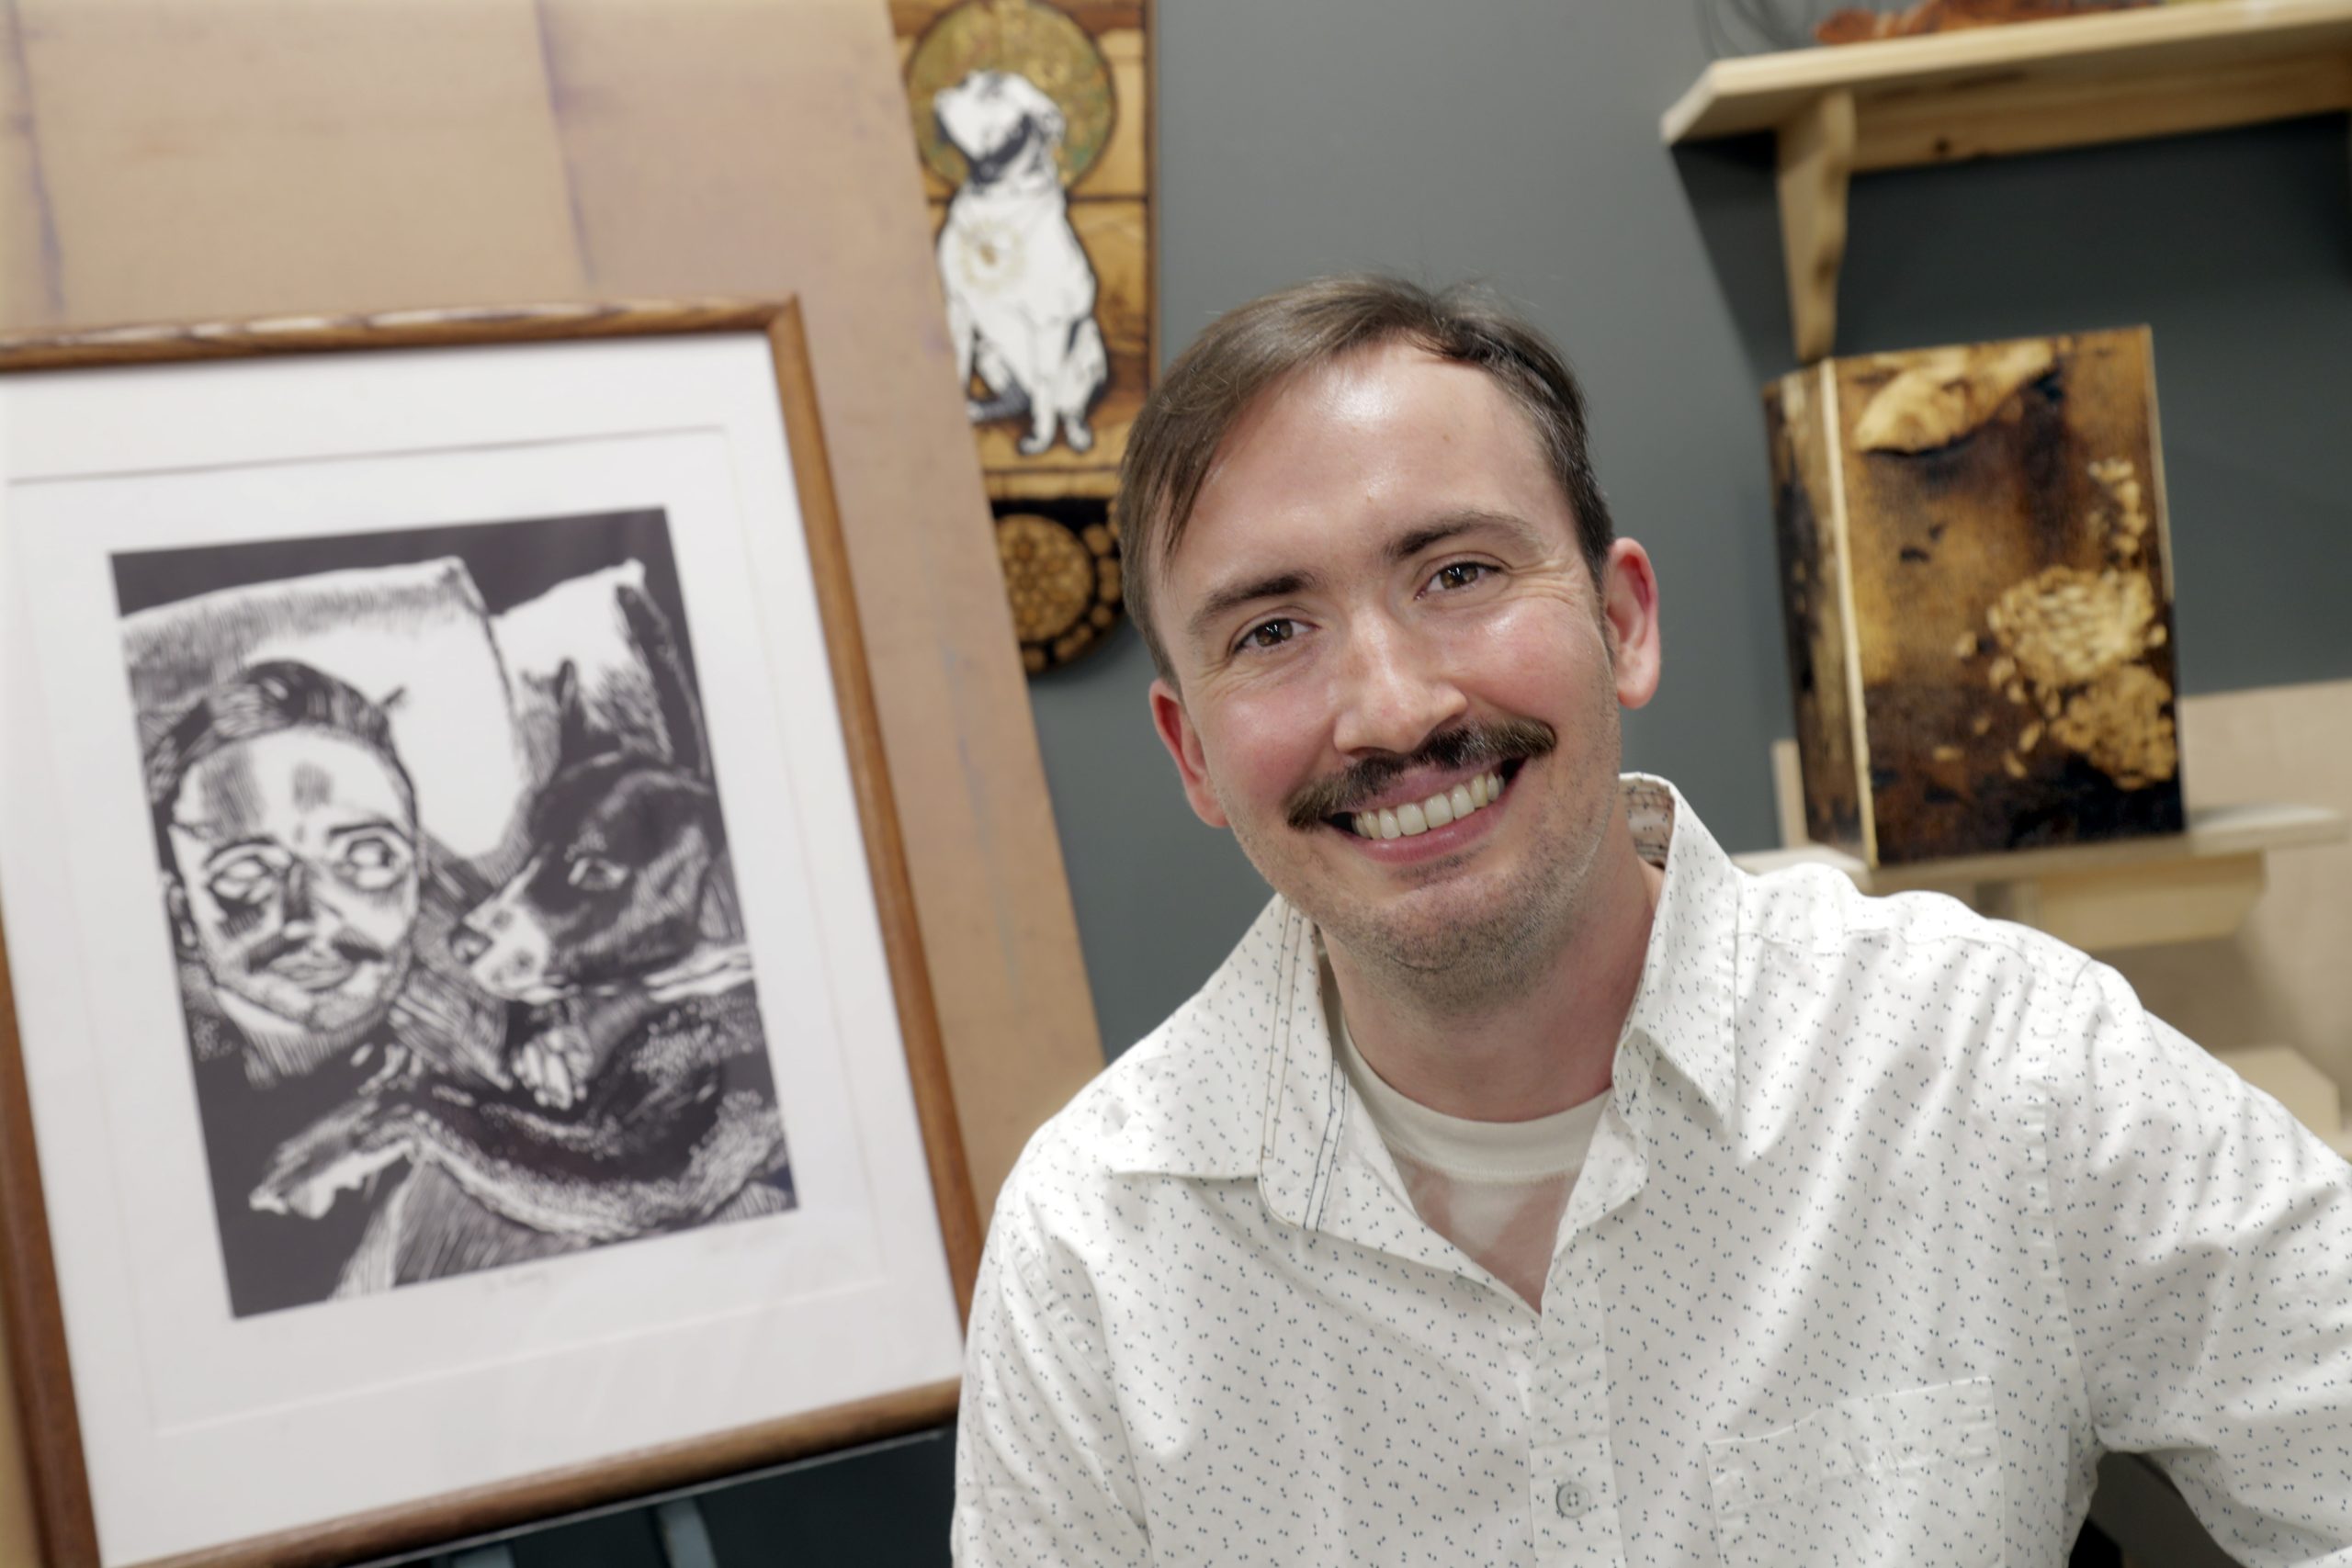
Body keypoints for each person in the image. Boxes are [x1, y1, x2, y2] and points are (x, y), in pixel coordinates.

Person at [951, 276, 2352, 1563]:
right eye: (1271, 630)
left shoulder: (1996, 1066)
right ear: (1191, 752)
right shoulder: (1096, 1258)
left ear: (1622, 619)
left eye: (1459, 573)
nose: (1391, 709)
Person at [146, 659, 425, 1314]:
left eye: (367, 856)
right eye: (247, 872)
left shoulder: (493, 1083)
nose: (311, 915)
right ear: (184, 913)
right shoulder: (153, 1133)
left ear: (420, 877)